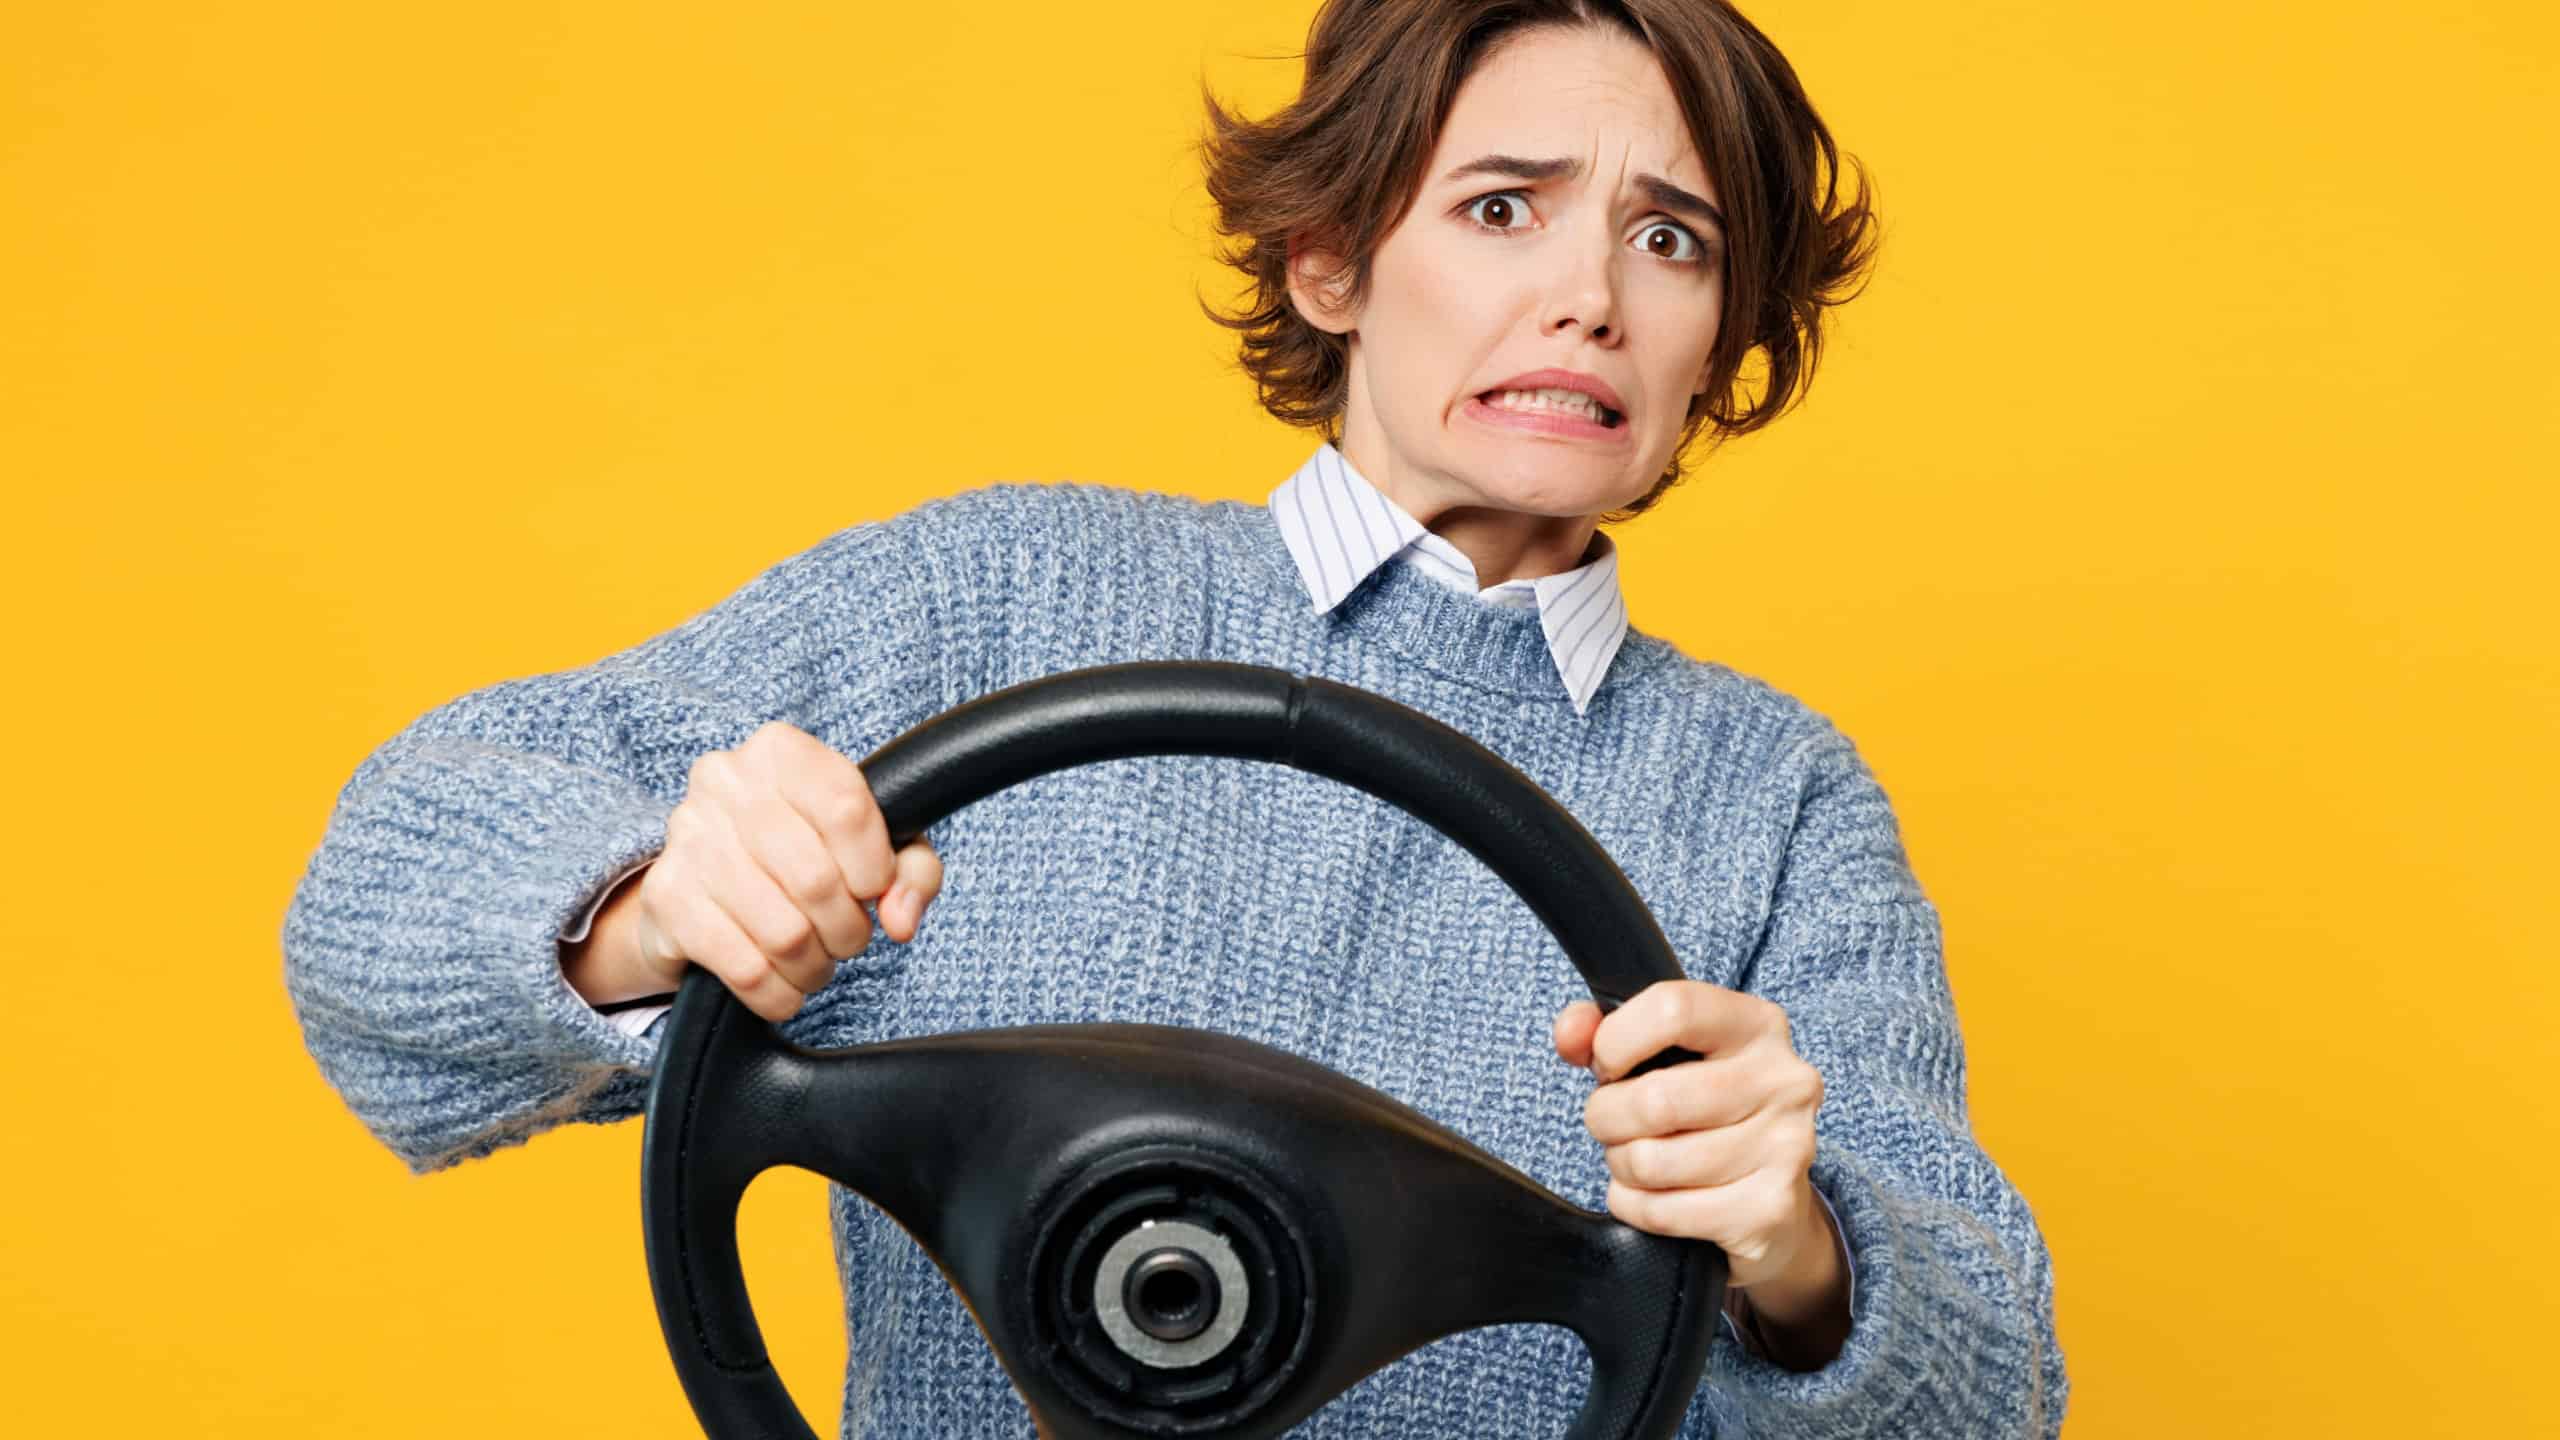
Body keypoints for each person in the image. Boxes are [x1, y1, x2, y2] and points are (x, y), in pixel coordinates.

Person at [280, 1, 2067, 1435]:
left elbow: (1995, 1397)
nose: (1588, 296)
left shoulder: (1775, 798)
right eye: (1500, 207)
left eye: (1669, 240)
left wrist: (1801, 1248)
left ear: (1719, 344)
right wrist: (653, 905)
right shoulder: (993, 597)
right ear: (1332, 264)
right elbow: (376, 895)